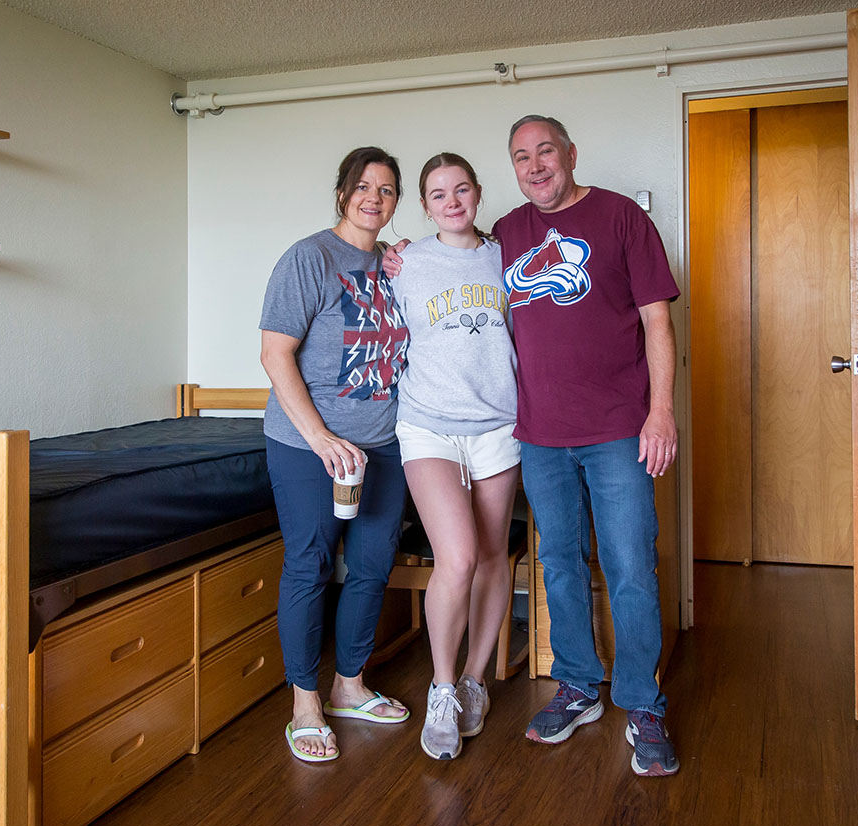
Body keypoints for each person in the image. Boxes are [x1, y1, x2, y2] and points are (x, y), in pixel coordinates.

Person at [385, 115, 681, 776]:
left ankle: (641, 701)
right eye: (523, 155)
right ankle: (577, 684)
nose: (536, 164)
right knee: (560, 563)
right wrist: (394, 252)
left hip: (616, 428)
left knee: (631, 563)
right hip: (539, 434)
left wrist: (661, 412)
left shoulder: (622, 217)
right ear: (512, 171)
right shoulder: (508, 234)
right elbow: (429, 276)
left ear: (571, 153)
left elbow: (658, 319)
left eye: (546, 150)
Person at [259, 146, 411, 764]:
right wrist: (321, 438)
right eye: (363, 187)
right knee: (310, 564)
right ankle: (304, 702)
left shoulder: (398, 266)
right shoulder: (308, 257)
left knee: (373, 565)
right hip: (306, 445)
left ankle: (349, 686)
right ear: (343, 193)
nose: (374, 197)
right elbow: (275, 355)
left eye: (388, 189)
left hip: (384, 445)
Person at [391, 153, 519, 761]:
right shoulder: (405, 262)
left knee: (494, 555)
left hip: (498, 425)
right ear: (424, 205)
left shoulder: (507, 255)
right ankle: (441, 688)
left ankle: (474, 679)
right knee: (459, 556)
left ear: (476, 193)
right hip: (428, 427)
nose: (451, 201)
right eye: (438, 194)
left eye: (461, 189)